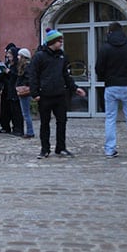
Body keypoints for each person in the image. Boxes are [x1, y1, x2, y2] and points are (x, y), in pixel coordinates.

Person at [30, 28, 86, 159]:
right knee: (45, 123)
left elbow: (66, 75)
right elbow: (33, 76)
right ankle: (45, 149)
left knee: (62, 122)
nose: (61, 43)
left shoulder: (62, 56)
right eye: (59, 41)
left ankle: (61, 148)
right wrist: (35, 93)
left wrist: (74, 88)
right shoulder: (39, 56)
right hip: (44, 95)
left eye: (61, 41)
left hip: (60, 95)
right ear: (52, 42)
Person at [95, 22, 127, 159]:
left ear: (109, 32)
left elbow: (99, 68)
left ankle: (110, 149)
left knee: (110, 118)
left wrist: (106, 78)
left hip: (111, 86)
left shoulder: (105, 48)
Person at [1, 47, 24, 136]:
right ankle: (10, 127)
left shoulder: (17, 65)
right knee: (9, 110)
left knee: (16, 111)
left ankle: (18, 128)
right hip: (8, 89)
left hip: (15, 89)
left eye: (10, 54)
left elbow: (17, 76)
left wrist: (9, 72)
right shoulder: (7, 64)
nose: (8, 56)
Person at [16, 48, 35, 139]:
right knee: (26, 113)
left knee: (26, 113)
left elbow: (28, 79)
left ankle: (30, 132)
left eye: (19, 55)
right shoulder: (25, 66)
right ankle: (29, 131)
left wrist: (23, 86)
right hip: (22, 91)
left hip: (24, 92)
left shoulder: (27, 67)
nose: (18, 57)